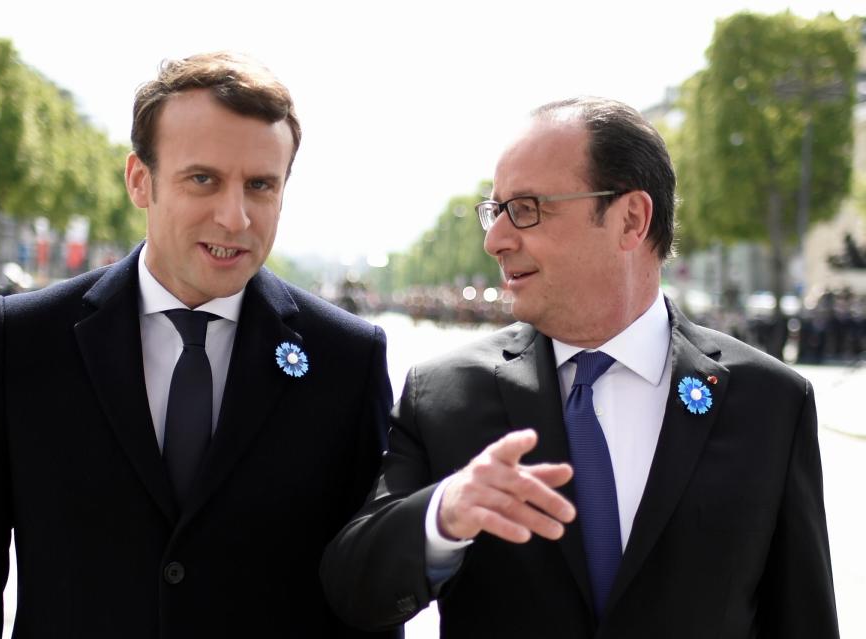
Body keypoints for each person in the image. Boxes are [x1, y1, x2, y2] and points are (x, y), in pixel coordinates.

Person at [0, 51, 396, 638]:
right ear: (140, 181)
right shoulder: (28, 340)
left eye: (261, 185)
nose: (235, 217)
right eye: (203, 179)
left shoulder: (346, 359)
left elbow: (362, 599)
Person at [321, 97, 838, 638]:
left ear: (631, 220)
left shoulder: (770, 402)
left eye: (525, 208)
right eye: (493, 211)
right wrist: (443, 514)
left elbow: (803, 618)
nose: (494, 239)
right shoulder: (443, 393)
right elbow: (353, 588)